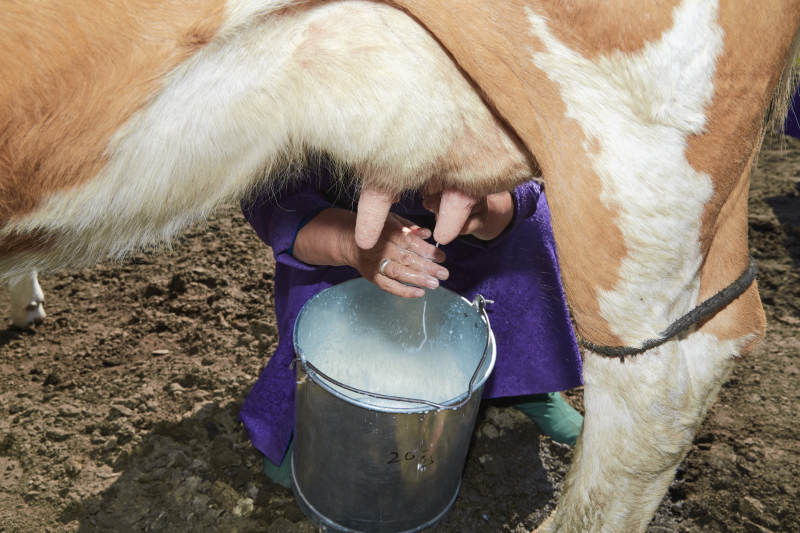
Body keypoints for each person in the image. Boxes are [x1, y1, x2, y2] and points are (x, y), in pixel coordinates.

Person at [240, 164, 583, 488]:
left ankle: (526, 381)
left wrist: (489, 209)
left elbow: (524, 173)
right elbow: (273, 196)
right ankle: (310, 409)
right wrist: (347, 242)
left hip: (471, 225)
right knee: (332, 307)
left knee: (529, 233)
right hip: (345, 230)